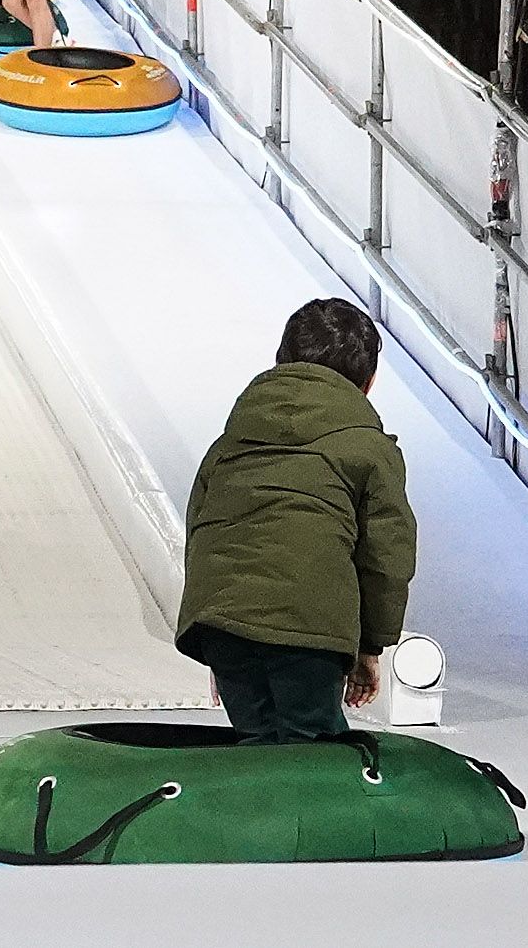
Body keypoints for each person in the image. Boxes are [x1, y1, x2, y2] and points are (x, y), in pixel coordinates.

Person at [176, 299, 416, 745]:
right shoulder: (371, 451)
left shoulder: (229, 444)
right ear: (368, 382)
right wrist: (370, 646)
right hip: (309, 627)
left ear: (280, 364)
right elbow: (386, 556)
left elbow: (200, 532)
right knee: (312, 755)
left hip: (223, 622)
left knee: (256, 746)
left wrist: (222, 632)